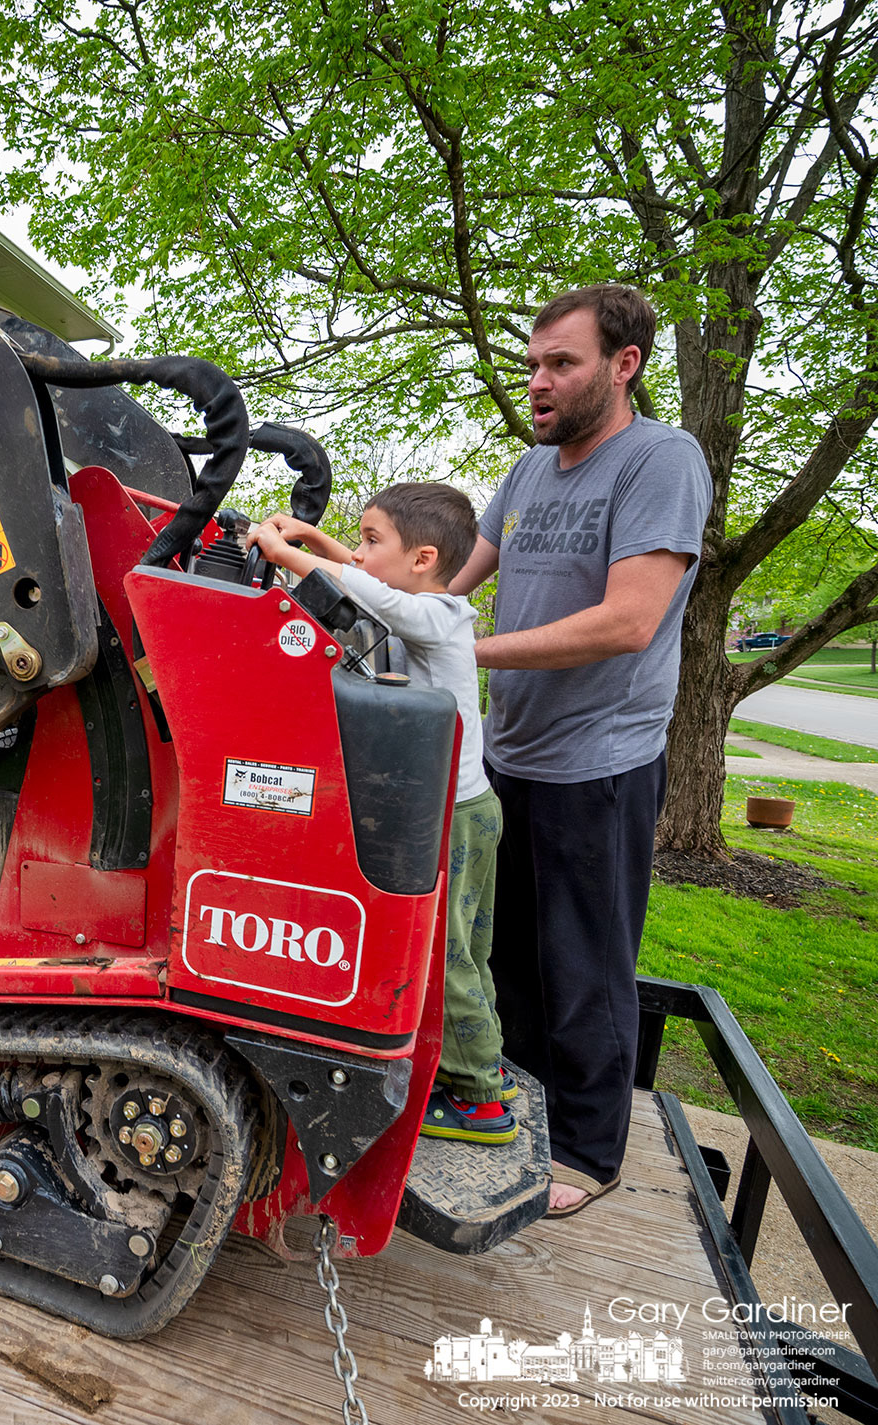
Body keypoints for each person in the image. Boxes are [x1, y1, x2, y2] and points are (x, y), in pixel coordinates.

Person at [447, 284, 712, 1217]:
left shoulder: (660, 461)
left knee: (585, 965)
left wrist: (464, 649)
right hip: (510, 755)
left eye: (561, 363)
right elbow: (450, 580)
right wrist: (331, 559)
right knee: (505, 956)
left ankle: (592, 1153)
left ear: (622, 363)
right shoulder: (527, 474)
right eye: (532, 365)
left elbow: (630, 620)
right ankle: (518, 1115)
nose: (538, 382)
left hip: (599, 764)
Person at [246, 484, 514, 1144]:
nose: (359, 552)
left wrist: (285, 550)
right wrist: (315, 542)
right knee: (471, 951)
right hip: (478, 806)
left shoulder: (429, 613)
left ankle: (479, 1100)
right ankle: (485, 1066)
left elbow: (374, 594)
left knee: (447, 956)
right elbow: (370, 583)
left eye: (372, 539)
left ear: (422, 557)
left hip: (450, 817)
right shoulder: (446, 607)